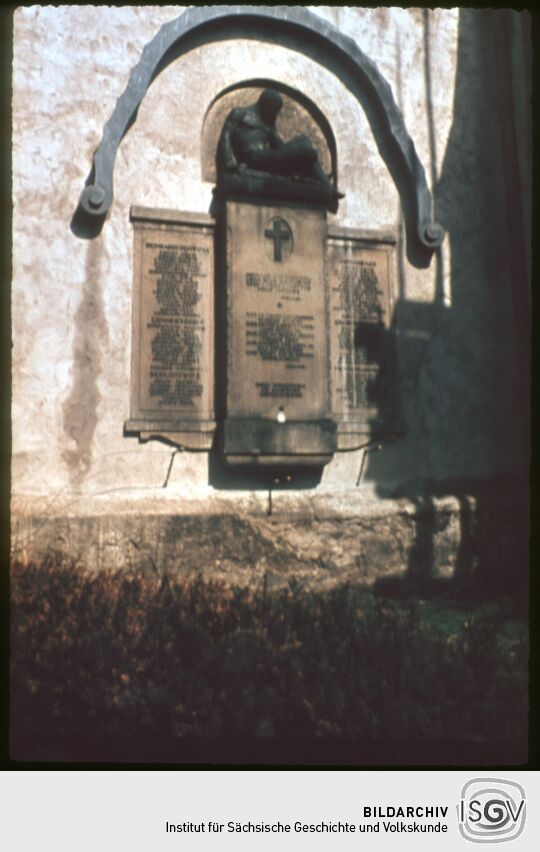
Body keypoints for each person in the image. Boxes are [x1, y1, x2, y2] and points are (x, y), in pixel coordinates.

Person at [218, 88, 343, 201]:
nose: (275, 113)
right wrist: (229, 161)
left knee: (304, 141)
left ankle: (322, 181)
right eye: (274, 109)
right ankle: (326, 185)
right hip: (253, 157)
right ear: (265, 103)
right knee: (305, 149)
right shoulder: (240, 113)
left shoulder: (268, 123)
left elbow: (279, 148)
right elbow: (226, 134)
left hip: (267, 158)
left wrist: (296, 152)